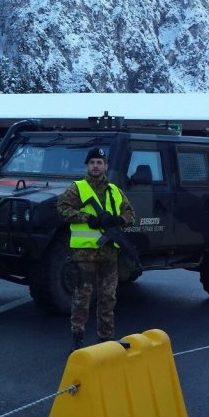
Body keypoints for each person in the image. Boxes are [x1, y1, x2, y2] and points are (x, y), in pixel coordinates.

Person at [56, 147, 135, 350]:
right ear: (87, 166)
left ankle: (106, 340)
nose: (96, 166)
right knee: (82, 298)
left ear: (106, 166)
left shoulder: (114, 191)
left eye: (99, 162)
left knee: (108, 298)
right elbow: (62, 208)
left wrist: (118, 219)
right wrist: (87, 218)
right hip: (84, 254)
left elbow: (130, 214)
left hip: (109, 252)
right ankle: (78, 339)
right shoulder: (78, 188)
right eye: (92, 162)